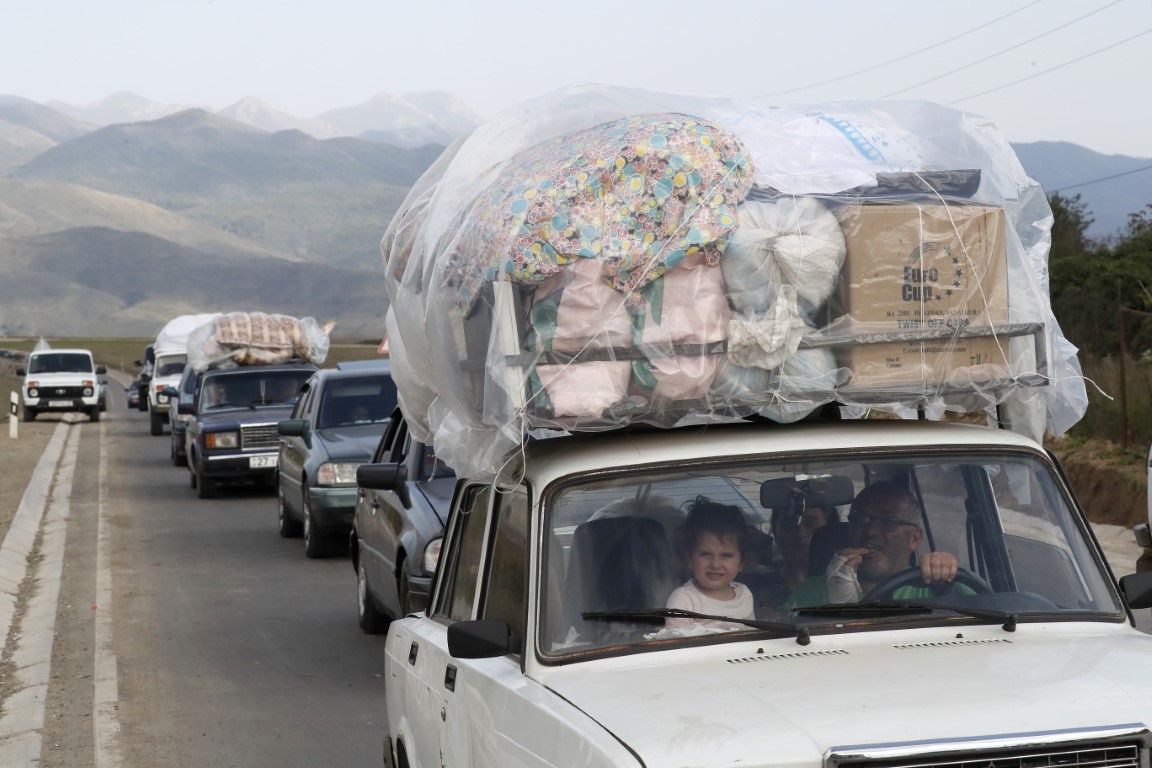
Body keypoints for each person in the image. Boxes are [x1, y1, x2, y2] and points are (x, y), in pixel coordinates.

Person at [786, 481, 968, 608]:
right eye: (861, 520)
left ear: (914, 538)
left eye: (888, 521)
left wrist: (947, 572)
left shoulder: (936, 587)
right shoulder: (808, 593)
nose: (871, 531)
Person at [665, 498, 756, 630]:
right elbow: (675, 646)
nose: (715, 564)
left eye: (726, 556)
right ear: (689, 558)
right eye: (705, 554)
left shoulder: (744, 594)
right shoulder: (684, 599)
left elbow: (754, 640)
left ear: (741, 562)